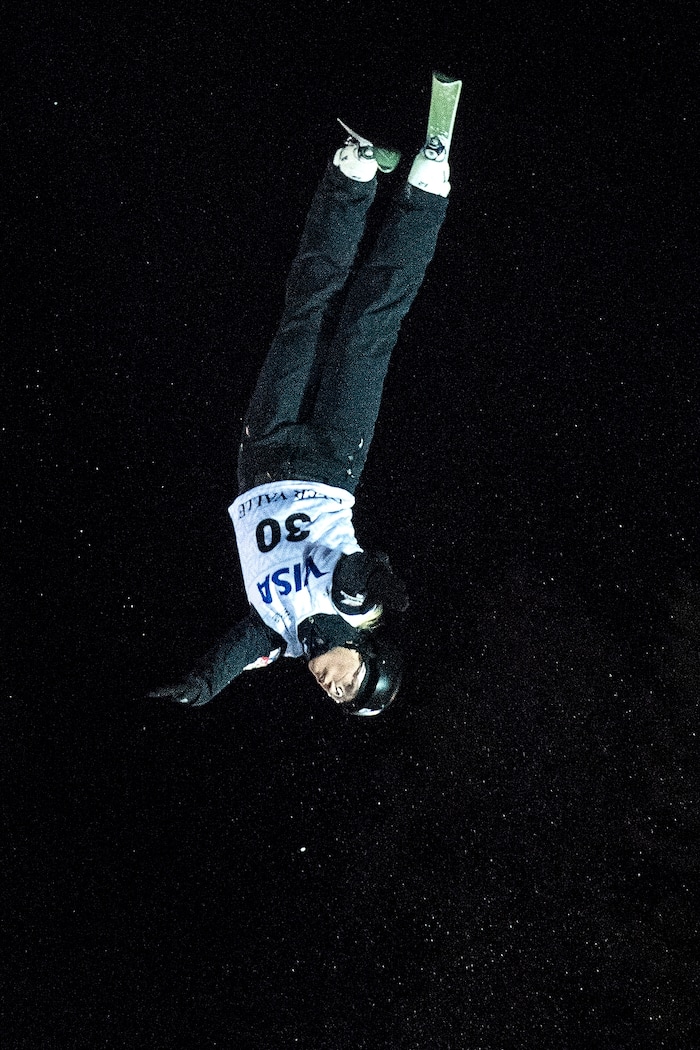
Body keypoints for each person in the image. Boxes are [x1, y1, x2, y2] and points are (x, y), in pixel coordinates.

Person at [149, 73, 461, 716]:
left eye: (336, 697)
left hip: (262, 455)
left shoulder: (280, 637)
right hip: (332, 461)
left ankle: (350, 178)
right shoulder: (357, 612)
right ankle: (427, 190)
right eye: (351, 682)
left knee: (303, 315)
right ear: (364, 657)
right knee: (366, 330)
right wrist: (379, 584)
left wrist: (203, 686)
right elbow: (354, 580)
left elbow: (238, 648)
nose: (333, 686)